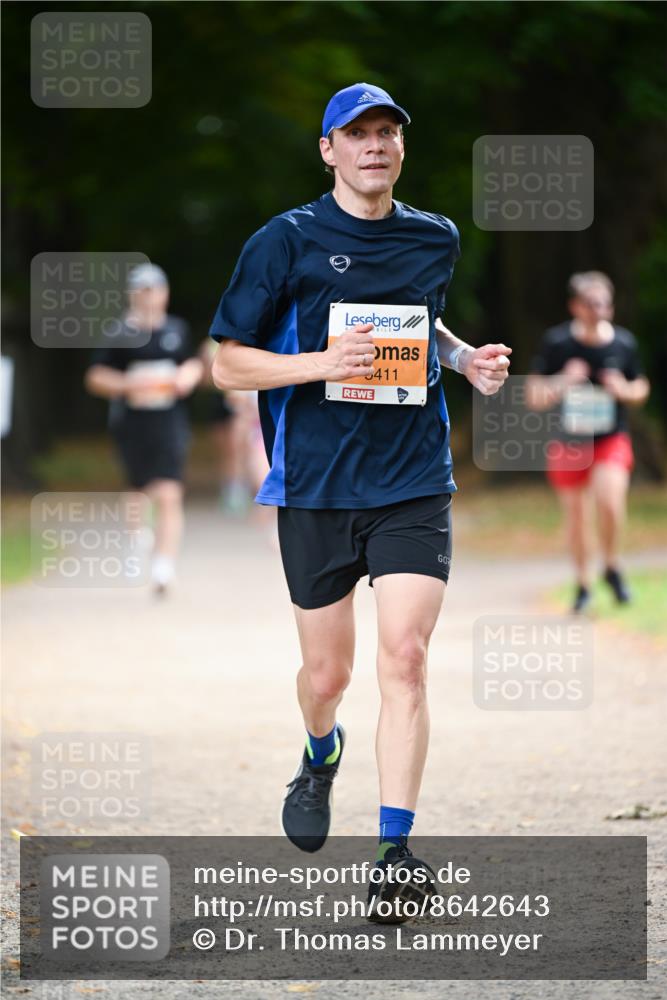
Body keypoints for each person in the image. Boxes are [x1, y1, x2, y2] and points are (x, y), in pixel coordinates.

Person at [209, 83, 510, 922]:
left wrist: (464, 362)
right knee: (326, 674)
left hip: (413, 478)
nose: (374, 145)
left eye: (387, 133)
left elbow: (426, 326)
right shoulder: (285, 241)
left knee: (405, 661)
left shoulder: (434, 237)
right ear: (328, 151)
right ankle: (318, 752)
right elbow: (227, 364)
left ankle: (393, 851)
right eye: (357, 134)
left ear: (400, 151)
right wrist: (322, 364)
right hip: (315, 485)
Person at [526, 271, 650, 613]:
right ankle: (582, 584)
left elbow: (641, 387)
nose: (600, 310)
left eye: (605, 303)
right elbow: (533, 396)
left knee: (609, 502)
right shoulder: (557, 343)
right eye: (593, 303)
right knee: (577, 516)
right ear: (576, 307)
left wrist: (623, 390)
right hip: (569, 442)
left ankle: (611, 565)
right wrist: (565, 380)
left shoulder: (623, 343)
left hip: (610, 438)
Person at [85, 264, 203, 595]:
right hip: (133, 423)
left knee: (169, 492)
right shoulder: (119, 333)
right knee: (137, 491)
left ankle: (163, 567)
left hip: (169, 422)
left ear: (165, 294)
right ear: (133, 294)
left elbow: (192, 363)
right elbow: (96, 376)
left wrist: (187, 377)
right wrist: (128, 384)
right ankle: (137, 538)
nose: (148, 297)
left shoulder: (177, 330)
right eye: (142, 290)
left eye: (154, 290)